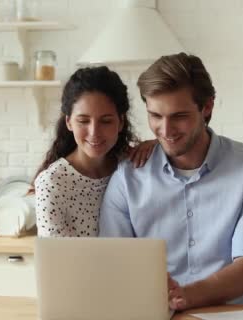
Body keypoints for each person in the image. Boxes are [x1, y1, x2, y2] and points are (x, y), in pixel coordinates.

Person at [98, 53, 243, 310]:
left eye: (179, 116)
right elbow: (115, 261)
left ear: (207, 107)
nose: (166, 130)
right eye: (156, 116)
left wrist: (184, 296)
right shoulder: (128, 176)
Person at [30, 66, 155, 237]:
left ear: (120, 122)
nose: (94, 132)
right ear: (69, 122)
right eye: (83, 121)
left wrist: (158, 146)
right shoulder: (52, 184)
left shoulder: (132, 165)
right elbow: (57, 260)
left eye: (106, 121)